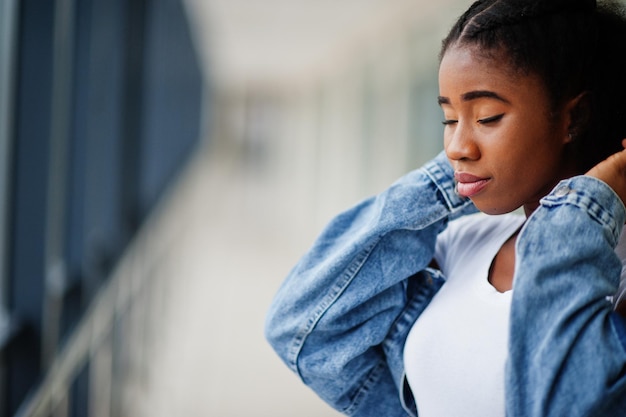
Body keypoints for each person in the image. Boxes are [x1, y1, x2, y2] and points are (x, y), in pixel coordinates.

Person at [265, 0, 626, 416]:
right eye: (449, 119)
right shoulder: (466, 244)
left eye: (488, 117)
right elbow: (302, 329)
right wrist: (447, 185)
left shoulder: (616, 282)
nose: (456, 148)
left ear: (574, 118)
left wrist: (582, 208)